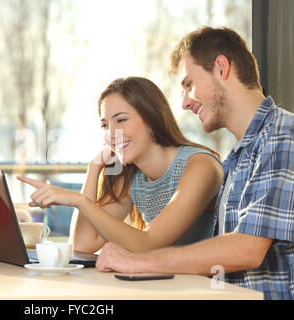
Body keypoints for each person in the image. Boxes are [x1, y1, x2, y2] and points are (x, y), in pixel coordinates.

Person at [96, 27, 294, 300]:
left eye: (189, 84)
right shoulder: (239, 156)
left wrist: (137, 262)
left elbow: (247, 249)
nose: (185, 103)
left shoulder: (283, 135)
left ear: (221, 68)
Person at [17, 76, 223, 254]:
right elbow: (82, 245)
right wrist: (93, 169)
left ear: (152, 120)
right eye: (105, 125)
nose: (111, 134)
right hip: (165, 283)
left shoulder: (199, 166)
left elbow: (147, 244)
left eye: (121, 120)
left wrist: (77, 200)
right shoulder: (131, 175)